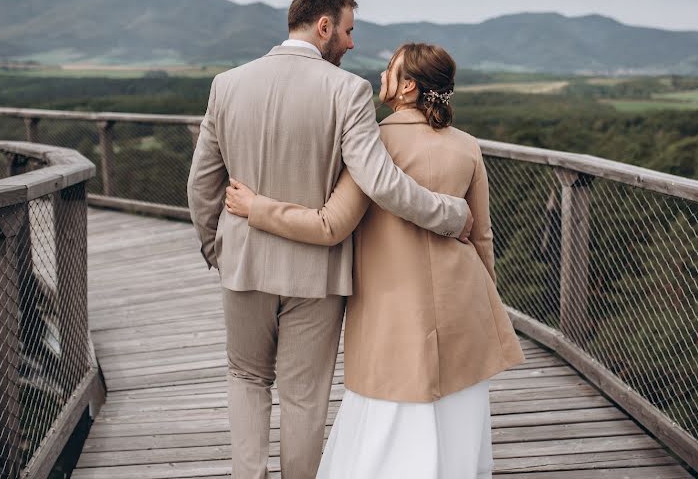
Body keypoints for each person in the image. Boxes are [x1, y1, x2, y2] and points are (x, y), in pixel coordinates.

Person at [186, 0, 473, 479]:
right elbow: (380, 181)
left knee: (246, 378)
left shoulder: (227, 84)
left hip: (243, 264)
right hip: (316, 275)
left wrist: (219, 248)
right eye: (348, 30)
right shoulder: (349, 91)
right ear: (324, 27)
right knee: (304, 398)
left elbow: (201, 184)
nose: (351, 43)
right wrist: (450, 214)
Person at [225, 43, 526, 478]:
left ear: (407, 86)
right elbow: (482, 237)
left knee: (389, 436)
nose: (381, 75)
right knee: (458, 433)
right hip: (466, 311)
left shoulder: (374, 144)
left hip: (393, 317)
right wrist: (489, 309)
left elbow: (331, 224)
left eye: (390, 68)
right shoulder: (468, 147)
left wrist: (257, 208)